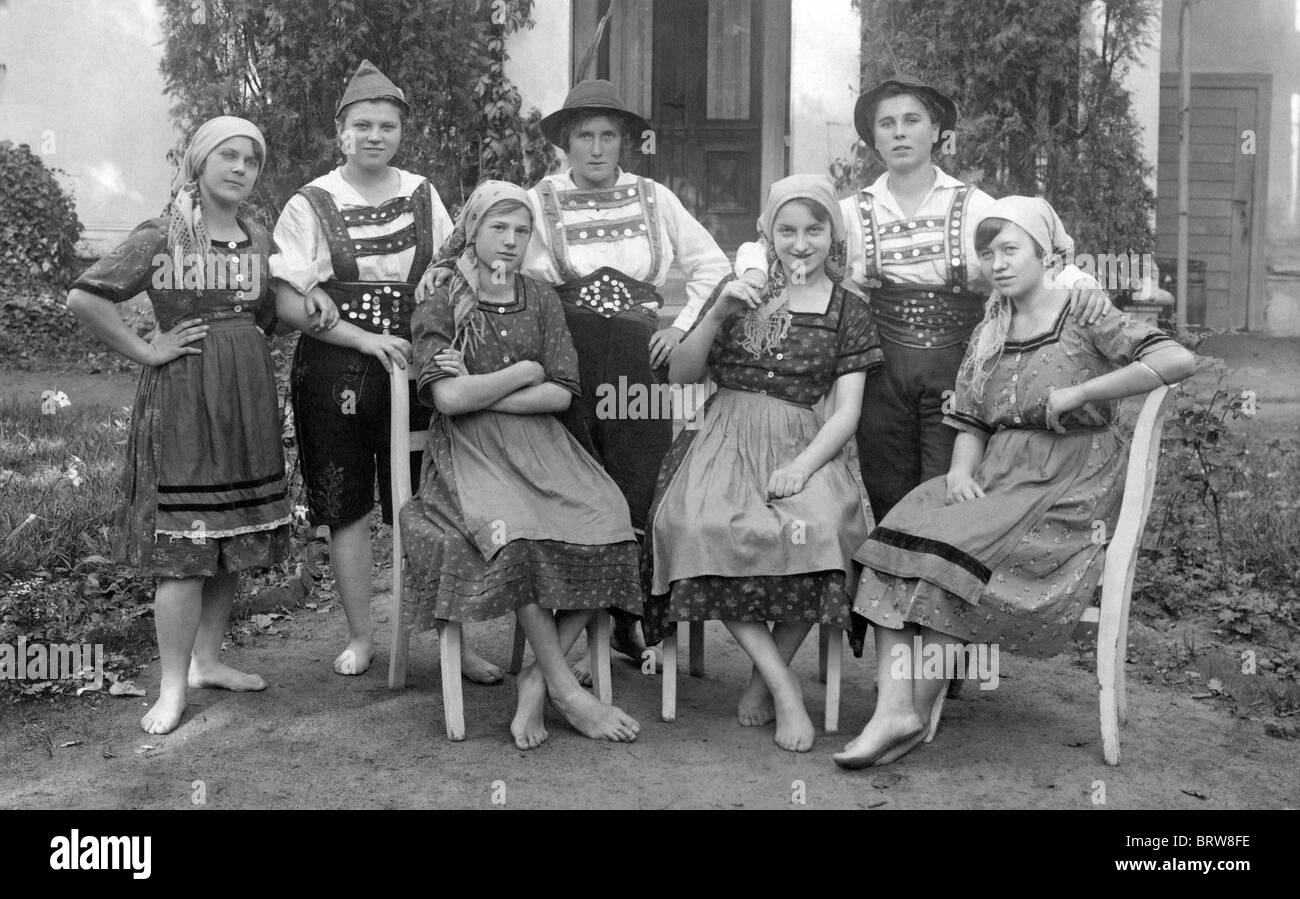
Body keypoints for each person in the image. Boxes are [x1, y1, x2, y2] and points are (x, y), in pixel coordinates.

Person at [833, 196, 1196, 769]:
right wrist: (956, 471)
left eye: (1010, 249)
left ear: (1045, 252)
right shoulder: (990, 326)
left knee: (957, 559)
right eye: (987, 253)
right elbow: (972, 419)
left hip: (1069, 479)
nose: (997, 263)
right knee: (892, 540)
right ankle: (893, 710)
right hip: (996, 471)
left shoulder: (1084, 310)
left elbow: (1176, 360)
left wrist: (1082, 393)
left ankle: (908, 710)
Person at [418, 79, 732, 669]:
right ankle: (575, 633)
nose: (595, 148)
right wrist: (444, 278)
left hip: (640, 362)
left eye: (608, 136)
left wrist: (683, 326)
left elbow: (712, 264)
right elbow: (479, 244)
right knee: (581, 478)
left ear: (625, 142)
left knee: (638, 479)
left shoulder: (654, 197)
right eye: (583, 136)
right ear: (565, 142)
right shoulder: (538, 198)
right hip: (568, 360)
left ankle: (627, 623)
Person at [734, 76, 1111, 531]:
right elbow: (775, 242)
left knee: (946, 489)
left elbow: (1038, 250)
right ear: (872, 137)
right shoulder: (852, 212)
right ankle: (885, 595)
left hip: (958, 366)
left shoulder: (974, 205)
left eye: (911, 120)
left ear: (935, 131)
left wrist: (1081, 280)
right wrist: (754, 270)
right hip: (881, 368)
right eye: (886, 123)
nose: (898, 132)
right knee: (888, 490)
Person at [270, 59, 499, 682]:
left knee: (434, 499)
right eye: (363, 125)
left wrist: (448, 334)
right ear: (340, 131)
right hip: (337, 367)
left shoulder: (423, 193)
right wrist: (364, 338)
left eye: (388, 126)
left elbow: (455, 272)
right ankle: (361, 634)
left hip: (419, 365)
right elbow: (289, 300)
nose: (375, 136)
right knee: (346, 503)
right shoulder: (310, 202)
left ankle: (452, 642)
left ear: (401, 132)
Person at [642, 175, 883, 753]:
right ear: (769, 235)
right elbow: (680, 376)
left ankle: (759, 677)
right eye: (787, 230)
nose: (800, 244)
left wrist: (802, 467)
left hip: (805, 439)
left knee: (826, 534)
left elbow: (846, 412)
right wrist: (716, 312)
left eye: (814, 230)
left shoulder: (848, 307)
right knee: (696, 528)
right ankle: (783, 685)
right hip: (721, 434)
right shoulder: (741, 289)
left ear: (834, 235)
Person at [68, 116, 291, 734]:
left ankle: (208, 662)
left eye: (252, 159)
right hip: (186, 401)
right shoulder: (163, 234)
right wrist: (147, 349)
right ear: (198, 162)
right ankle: (170, 688)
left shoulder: (255, 235)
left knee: (230, 542)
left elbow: (272, 313)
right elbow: (85, 297)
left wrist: (319, 308)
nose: (242, 167)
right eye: (229, 155)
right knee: (185, 553)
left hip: (245, 398)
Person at [402, 180, 643, 749]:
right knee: (518, 537)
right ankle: (566, 687)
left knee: (610, 520)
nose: (510, 241)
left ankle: (537, 676)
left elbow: (561, 392)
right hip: (469, 453)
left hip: (545, 446)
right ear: (472, 231)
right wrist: (520, 373)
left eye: (522, 230)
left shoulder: (539, 296)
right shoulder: (441, 298)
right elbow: (449, 400)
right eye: (498, 228)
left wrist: (487, 387)